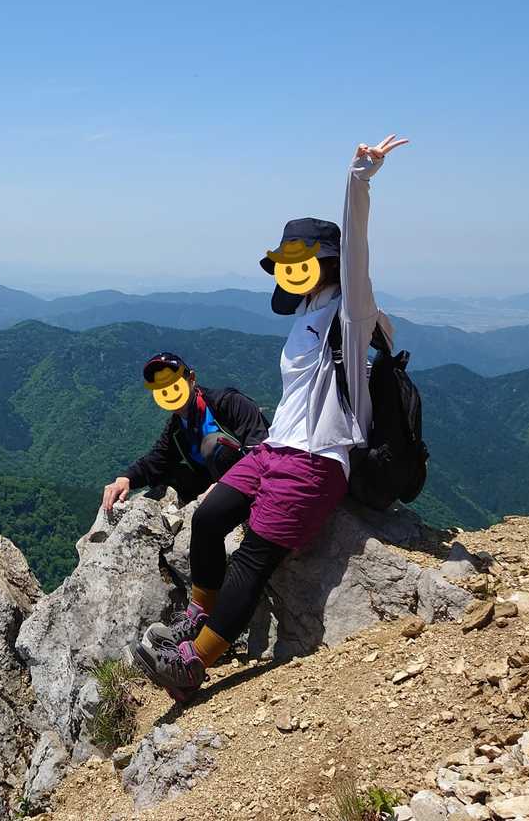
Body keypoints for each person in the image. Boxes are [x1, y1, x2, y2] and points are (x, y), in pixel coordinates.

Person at [133, 134, 408, 702]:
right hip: (274, 450)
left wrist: (359, 180)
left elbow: (358, 258)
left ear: (325, 263)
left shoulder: (351, 314)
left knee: (254, 558)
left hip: (315, 461)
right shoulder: (307, 310)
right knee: (210, 520)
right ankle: (197, 616)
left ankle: (195, 662)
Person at [101, 351, 269, 515]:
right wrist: (126, 478)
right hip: (212, 482)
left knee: (213, 444)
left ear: (192, 379)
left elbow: (262, 449)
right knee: (168, 476)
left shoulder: (229, 403)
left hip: (251, 483)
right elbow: (157, 459)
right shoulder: (177, 426)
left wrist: (226, 485)